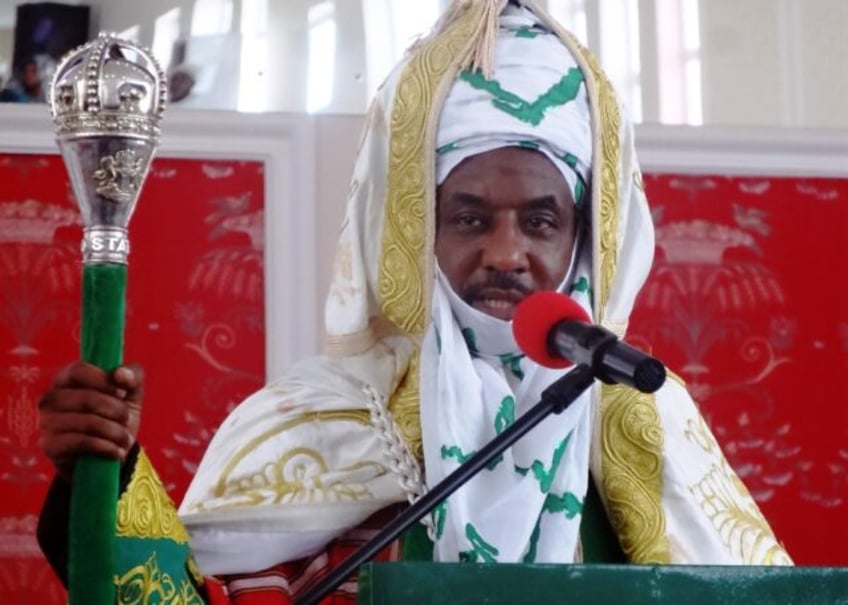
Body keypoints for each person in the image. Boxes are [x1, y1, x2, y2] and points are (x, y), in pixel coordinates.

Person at [36, 0, 792, 602]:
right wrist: (99, 473)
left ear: (585, 241)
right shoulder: (321, 421)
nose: (505, 253)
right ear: (410, 228)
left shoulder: (644, 421)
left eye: (540, 220)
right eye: (468, 217)